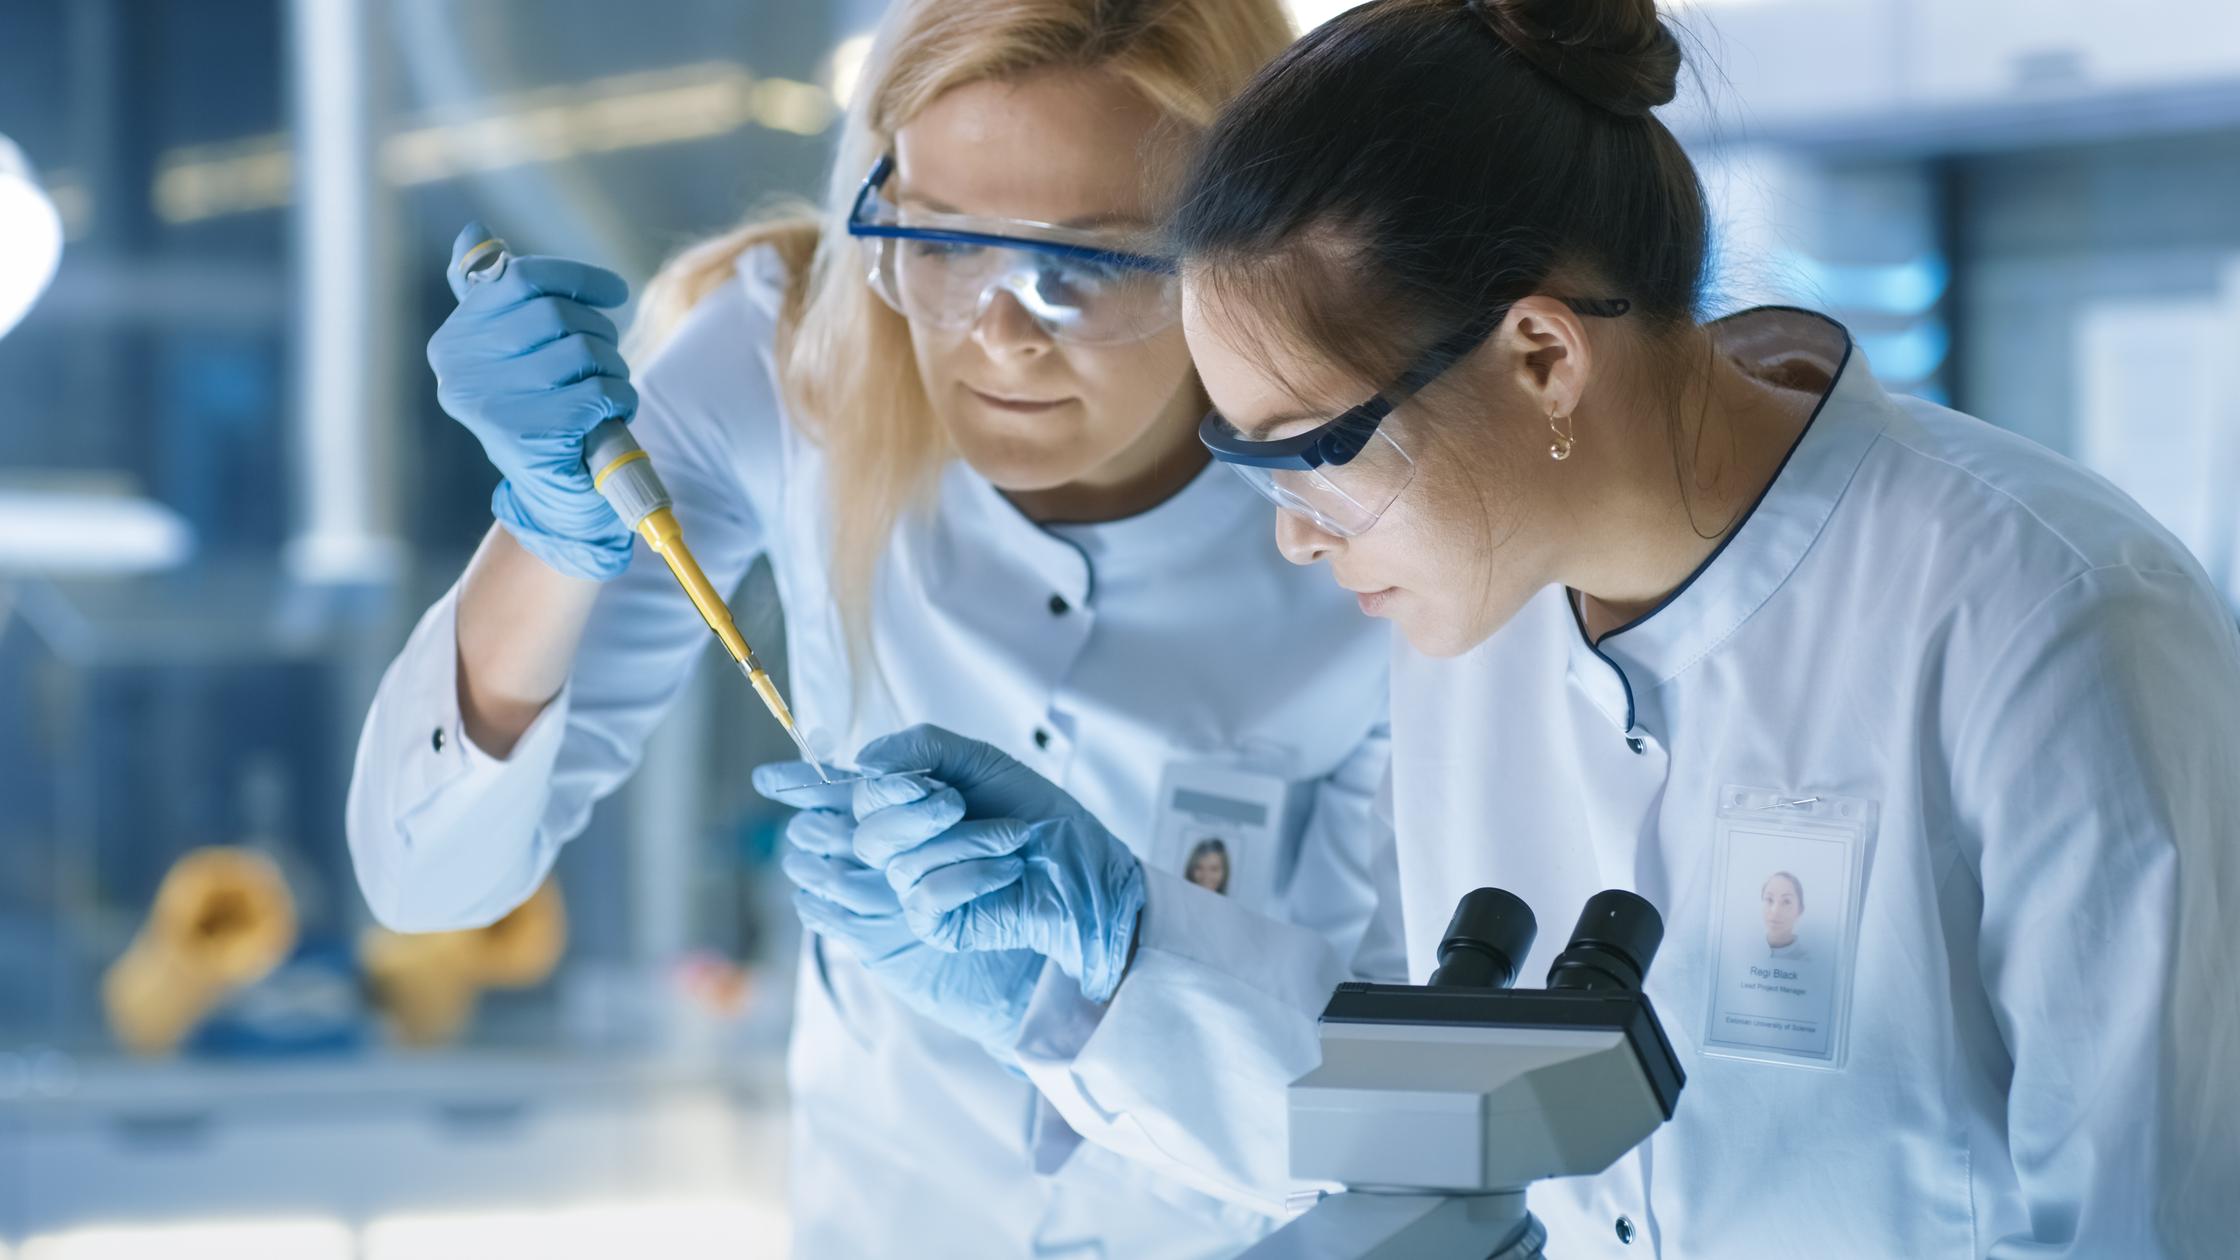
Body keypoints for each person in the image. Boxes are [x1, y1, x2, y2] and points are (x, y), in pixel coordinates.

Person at [840, 0, 2240, 1253]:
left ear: (1542, 357)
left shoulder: (2046, 612)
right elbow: (1429, 1121)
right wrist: (1107, 971)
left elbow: (2153, 1212)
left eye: (1311, 451)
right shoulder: (1479, 628)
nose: (1291, 529)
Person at [343, 2, 1401, 1256]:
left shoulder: (1373, 503)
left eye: (1094, 260)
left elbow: (1404, 1081)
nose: (1000, 333)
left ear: (1244, 247)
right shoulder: (795, 354)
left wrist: (1112, 970)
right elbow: (427, 878)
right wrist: (549, 530)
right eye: (945, 242)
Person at [1760, 871, 1806, 958]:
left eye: (1786, 901)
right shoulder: (1748, 950)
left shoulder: (1808, 960)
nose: (1775, 911)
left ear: (1800, 910)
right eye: (1769, 899)